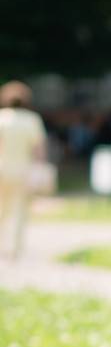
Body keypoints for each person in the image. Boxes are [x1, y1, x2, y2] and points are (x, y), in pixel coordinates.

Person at [0, 80, 48, 260]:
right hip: (23, 169)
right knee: (20, 209)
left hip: (2, 168)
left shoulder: (2, 118)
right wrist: (40, 168)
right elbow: (39, 149)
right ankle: (15, 248)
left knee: (2, 208)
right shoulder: (32, 120)